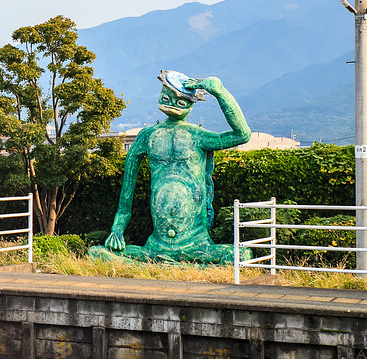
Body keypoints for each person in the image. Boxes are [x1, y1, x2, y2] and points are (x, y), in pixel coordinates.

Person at [89, 70, 251, 264]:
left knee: (240, 256)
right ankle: (172, 267)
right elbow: (126, 195)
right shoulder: (147, 136)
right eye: (166, 98)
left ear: (190, 104)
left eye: (180, 102)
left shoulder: (198, 136)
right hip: (156, 245)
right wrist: (117, 230)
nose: (172, 104)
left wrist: (219, 91)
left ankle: (161, 267)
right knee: (95, 253)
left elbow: (242, 135)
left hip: (197, 244)